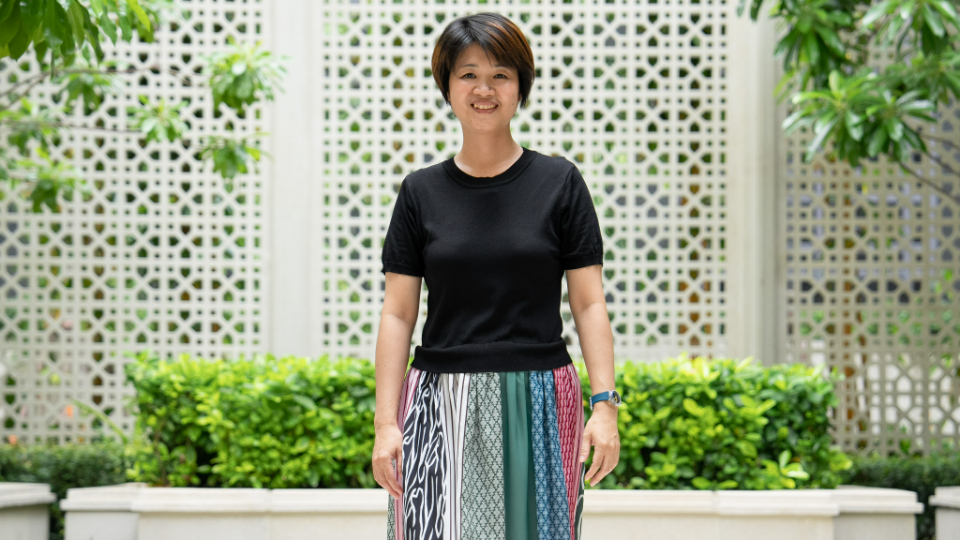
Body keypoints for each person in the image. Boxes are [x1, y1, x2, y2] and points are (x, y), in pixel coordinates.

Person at [372, 12, 620, 540]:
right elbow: (397, 313)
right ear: (447, 87)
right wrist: (386, 424)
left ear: (520, 88)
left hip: (540, 396)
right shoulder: (419, 192)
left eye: (500, 75)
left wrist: (605, 408)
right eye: (468, 74)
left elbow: (589, 303)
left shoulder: (560, 183)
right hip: (438, 400)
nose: (484, 89)